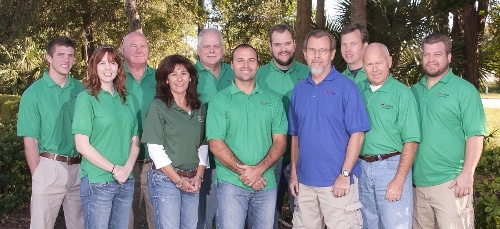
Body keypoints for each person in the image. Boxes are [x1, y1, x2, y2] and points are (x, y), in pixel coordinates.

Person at [288, 30, 370, 228]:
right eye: (312, 50)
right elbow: (295, 136)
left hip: (337, 184)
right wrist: (294, 174)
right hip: (305, 184)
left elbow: (357, 135)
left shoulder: (347, 88)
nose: (317, 56)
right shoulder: (298, 91)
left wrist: (344, 174)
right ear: (305, 53)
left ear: (332, 54)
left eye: (323, 50)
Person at [206, 44, 288, 229]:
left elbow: (280, 142)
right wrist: (248, 173)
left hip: (265, 185)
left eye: (251, 60)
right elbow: (216, 144)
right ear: (232, 65)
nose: (246, 65)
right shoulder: (220, 101)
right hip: (231, 185)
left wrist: (258, 170)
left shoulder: (273, 101)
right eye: (240, 60)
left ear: (258, 65)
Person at [411, 32, 487, 228]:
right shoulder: (414, 91)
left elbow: (475, 135)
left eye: (437, 54)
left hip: (451, 184)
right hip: (418, 185)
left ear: (449, 57)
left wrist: (467, 173)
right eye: (427, 54)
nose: (431, 59)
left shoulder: (465, 90)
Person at [17, 36, 84, 229]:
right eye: (61, 54)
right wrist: (38, 174)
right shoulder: (33, 93)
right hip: (49, 166)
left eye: (71, 55)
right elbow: (30, 140)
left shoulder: (81, 90)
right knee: (41, 225)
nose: (66, 60)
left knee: (80, 225)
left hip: (79, 167)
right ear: (48, 57)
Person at [73, 45, 139, 229]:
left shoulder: (128, 98)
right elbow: (82, 145)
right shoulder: (85, 99)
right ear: (94, 66)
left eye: (112, 63)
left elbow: (135, 140)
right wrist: (114, 169)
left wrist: (126, 168)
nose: (108, 68)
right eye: (102, 63)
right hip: (98, 181)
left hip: (125, 181)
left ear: (119, 67)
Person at [357, 43, 420, 228]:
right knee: (368, 224)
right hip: (361, 168)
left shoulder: (402, 94)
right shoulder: (357, 91)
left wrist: (399, 180)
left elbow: (411, 140)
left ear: (389, 62)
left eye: (379, 63)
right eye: (369, 64)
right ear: (363, 66)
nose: (375, 69)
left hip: (391, 167)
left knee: (395, 224)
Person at [142, 54, 208, 229]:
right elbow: (155, 150)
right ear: (165, 80)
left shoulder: (199, 107)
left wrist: (199, 176)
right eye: (173, 74)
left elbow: (203, 144)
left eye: (184, 73)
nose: (179, 78)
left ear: (191, 77)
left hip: (193, 178)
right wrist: (178, 180)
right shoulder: (158, 106)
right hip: (165, 180)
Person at [255, 23, 309, 228]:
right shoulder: (258, 76)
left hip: (302, 157)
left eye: (287, 43)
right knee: (266, 217)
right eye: (277, 44)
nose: (283, 48)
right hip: (269, 158)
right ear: (270, 47)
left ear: (294, 44)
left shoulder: (308, 73)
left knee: (304, 215)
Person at [195, 27, 234, 229]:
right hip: (202, 159)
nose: (212, 50)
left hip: (234, 158)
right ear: (198, 49)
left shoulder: (235, 71)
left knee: (229, 218)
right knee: (202, 216)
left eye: (216, 46)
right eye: (206, 46)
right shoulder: (188, 75)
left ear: (223, 48)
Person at [121, 31, 156, 229]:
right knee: (126, 220)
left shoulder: (161, 78)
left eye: (143, 46)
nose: (138, 50)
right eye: (133, 46)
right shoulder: (114, 77)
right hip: (124, 163)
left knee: (158, 218)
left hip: (155, 163)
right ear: (123, 50)